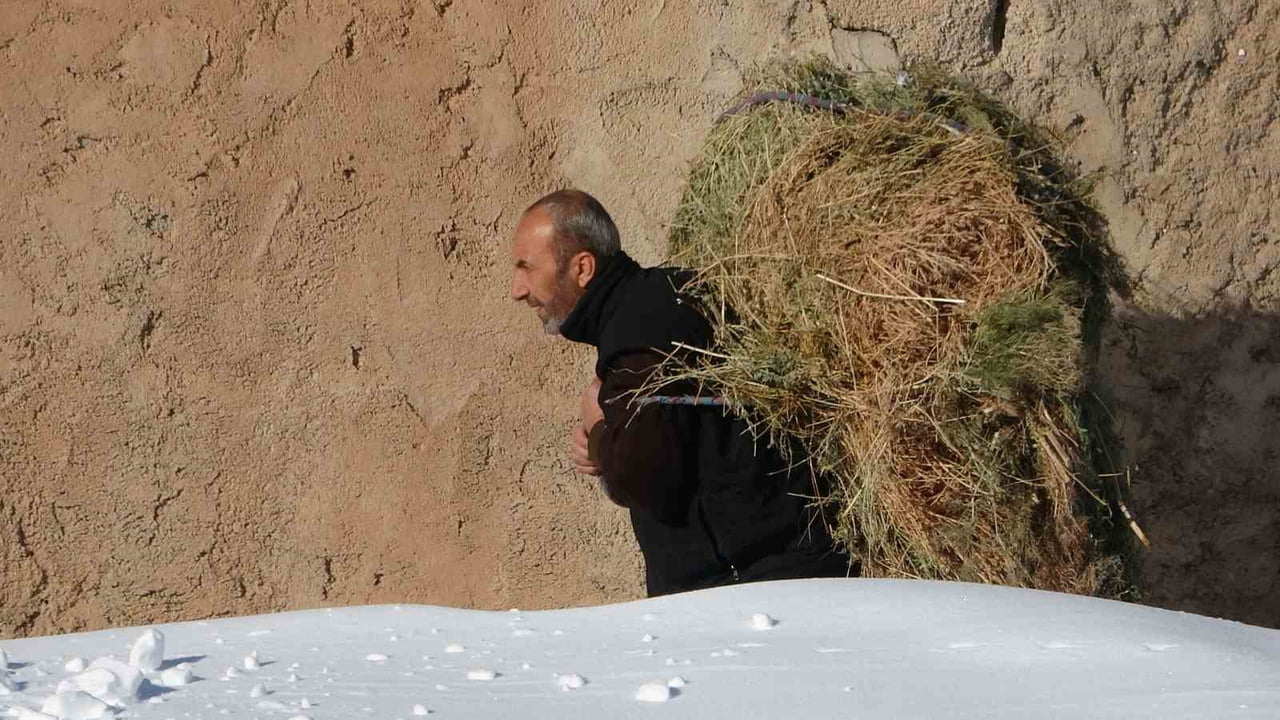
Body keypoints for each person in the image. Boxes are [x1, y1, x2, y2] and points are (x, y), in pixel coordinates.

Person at [509, 189, 849, 596]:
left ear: (582, 268)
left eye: (527, 267)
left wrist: (599, 428)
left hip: (749, 593)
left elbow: (642, 477)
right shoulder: (663, 298)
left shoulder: (636, 333)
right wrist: (606, 438)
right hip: (786, 571)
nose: (517, 289)